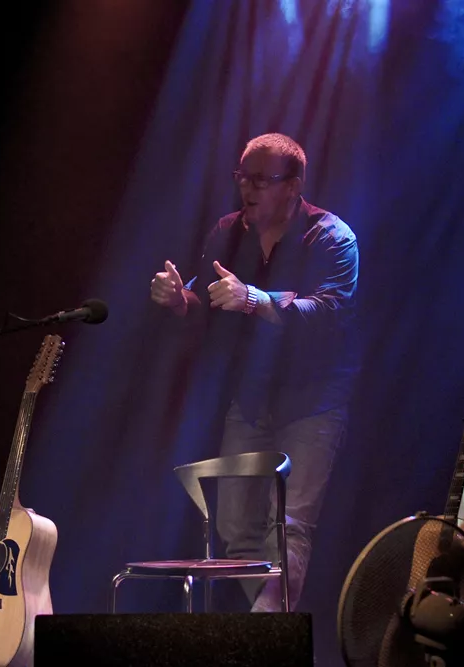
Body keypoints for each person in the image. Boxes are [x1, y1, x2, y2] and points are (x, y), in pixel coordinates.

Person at [149, 132, 360, 612]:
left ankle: (266, 635)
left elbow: (329, 311)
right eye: (242, 177)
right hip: (250, 399)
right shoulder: (227, 232)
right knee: (235, 528)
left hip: (313, 402)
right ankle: (270, 626)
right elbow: (207, 301)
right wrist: (180, 300)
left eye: (261, 180)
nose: (247, 188)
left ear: (294, 185)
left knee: (289, 526)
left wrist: (255, 300)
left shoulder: (331, 237)